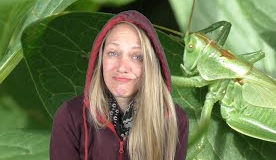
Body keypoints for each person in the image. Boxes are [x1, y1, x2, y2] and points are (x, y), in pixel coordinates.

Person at [50, 10, 189, 160]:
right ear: (99, 59)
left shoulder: (175, 119)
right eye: (113, 53)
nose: (122, 67)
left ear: (151, 65)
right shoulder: (71, 115)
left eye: (137, 56)